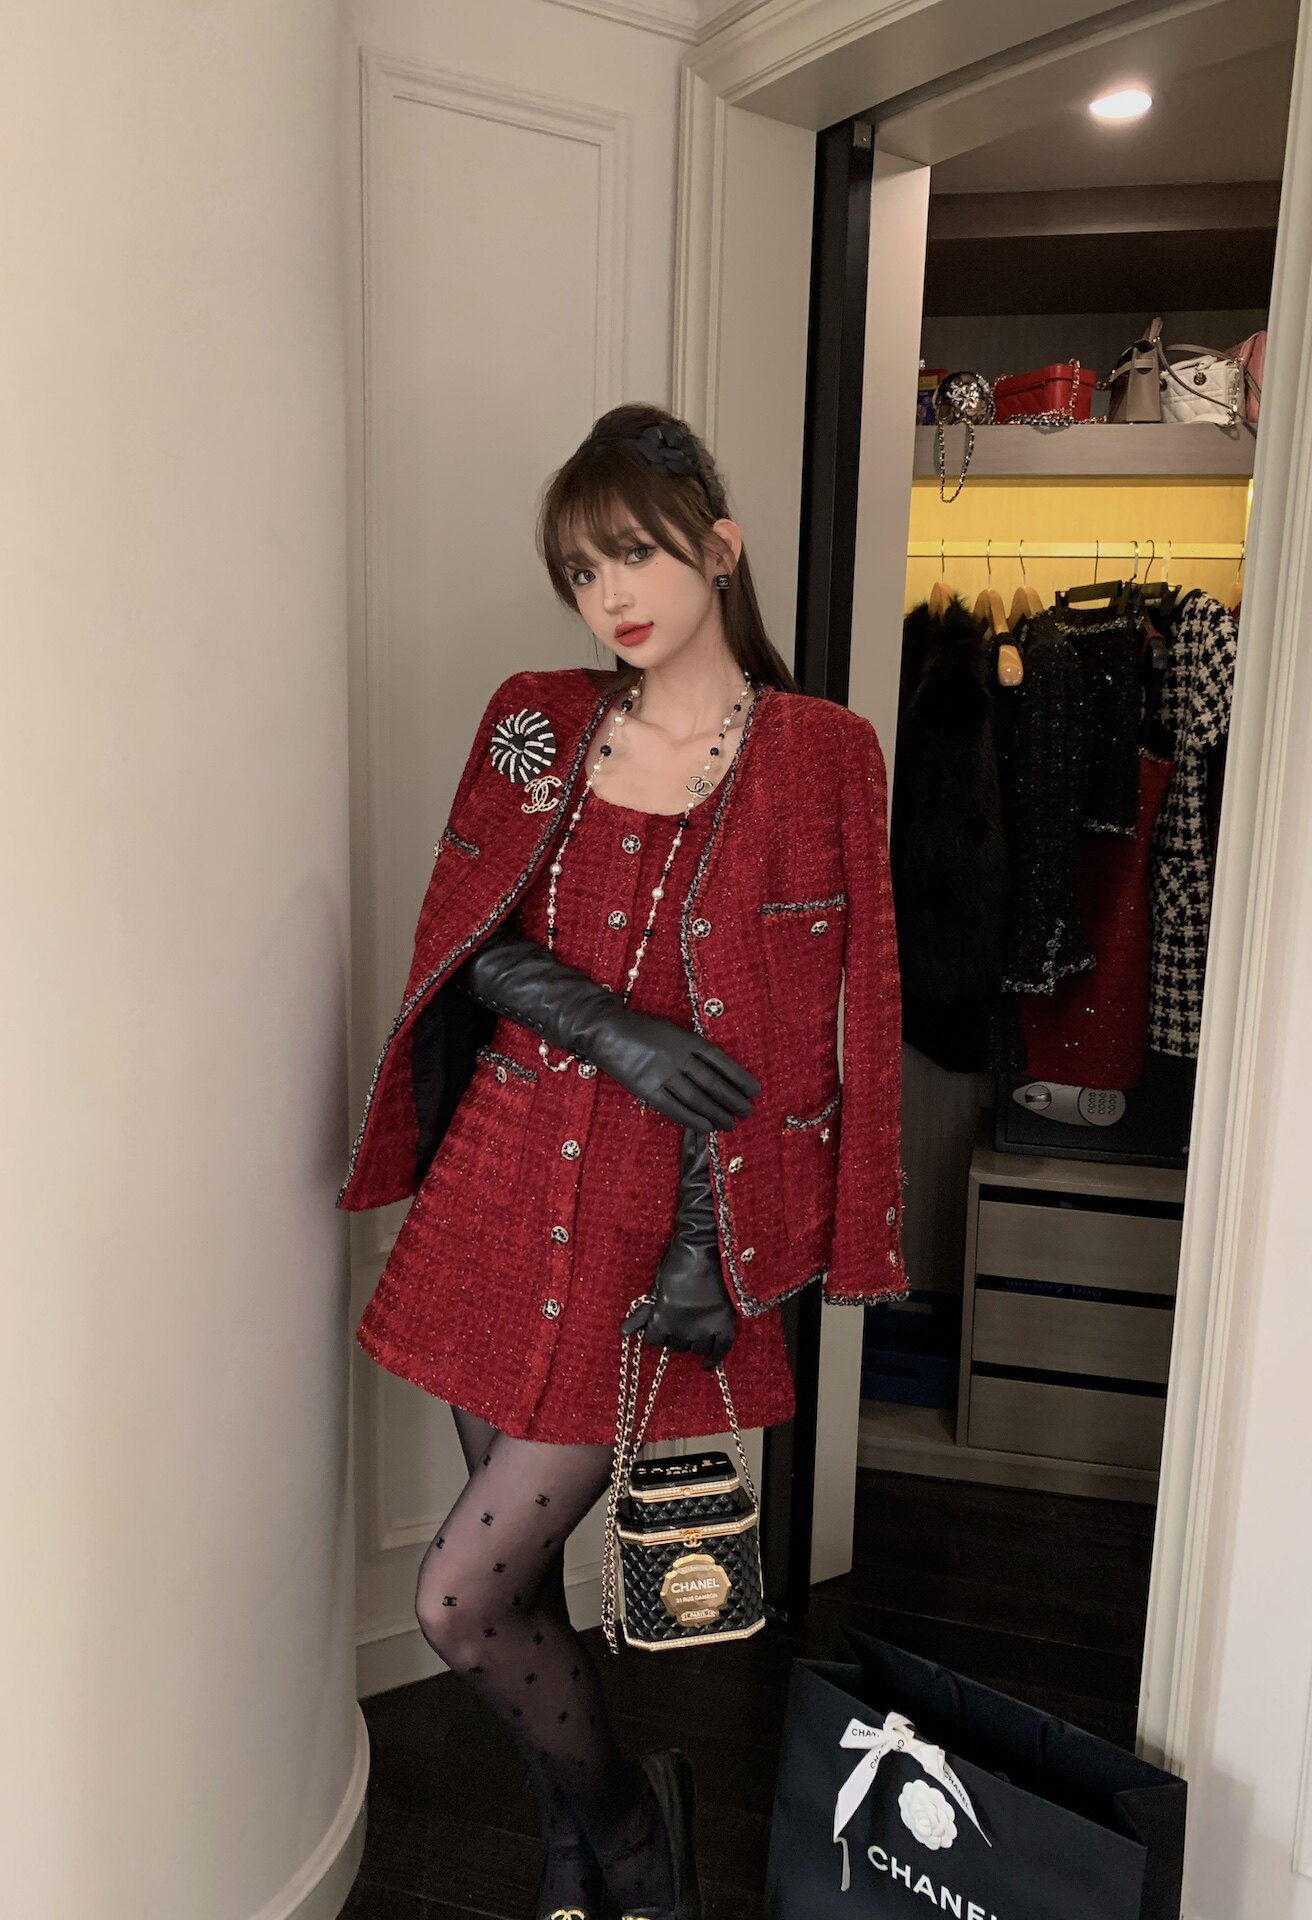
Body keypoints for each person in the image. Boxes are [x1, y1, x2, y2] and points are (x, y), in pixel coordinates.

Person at [338, 404, 909, 1920]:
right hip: (501, 1177)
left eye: (636, 556)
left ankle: (637, 1842)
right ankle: (584, 1844)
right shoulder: (536, 718)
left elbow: (832, 1021)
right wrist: (613, 1027)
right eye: (583, 574)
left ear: (719, 547)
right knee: (513, 1589)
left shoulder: (822, 754)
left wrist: (716, 1247)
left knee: (458, 1598)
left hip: (660, 1224)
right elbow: (468, 941)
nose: (612, 598)